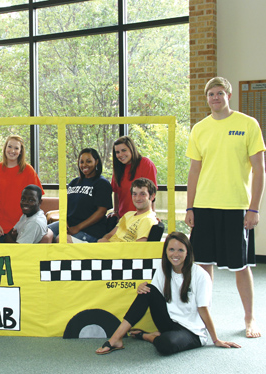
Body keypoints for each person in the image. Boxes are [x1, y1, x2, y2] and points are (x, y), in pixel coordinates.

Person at [185, 76, 265, 339]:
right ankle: (203, 316)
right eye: (210, 94)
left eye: (220, 93)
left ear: (229, 96)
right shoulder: (199, 129)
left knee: (241, 266)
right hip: (204, 206)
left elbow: (259, 169)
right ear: (206, 98)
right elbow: (194, 171)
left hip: (236, 207)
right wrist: (190, 207)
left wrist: (254, 209)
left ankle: (250, 318)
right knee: (203, 265)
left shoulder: (247, 124)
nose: (215, 98)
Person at [96, 232, 241, 355]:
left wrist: (215, 339)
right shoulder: (163, 268)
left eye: (180, 250)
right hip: (168, 322)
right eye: (171, 249)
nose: (175, 254)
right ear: (166, 251)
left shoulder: (200, 275)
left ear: (188, 252)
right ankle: (116, 339)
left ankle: (146, 336)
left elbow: (203, 309)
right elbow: (153, 295)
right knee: (148, 290)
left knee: (165, 345)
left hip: (191, 330)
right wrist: (142, 288)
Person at [47, 148, 112, 243]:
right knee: (43, 233)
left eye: (88, 161)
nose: (84, 165)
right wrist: (65, 223)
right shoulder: (74, 182)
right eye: (81, 162)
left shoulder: (102, 183)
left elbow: (101, 212)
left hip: (91, 231)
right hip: (70, 226)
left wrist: (78, 227)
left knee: (61, 240)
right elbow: (67, 207)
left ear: (96, 161)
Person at [0, 135, 44, 242]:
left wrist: (32, 224)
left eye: (16, 148)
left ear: (21, 151)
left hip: (26, 225)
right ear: (5, 148)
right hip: (2, 227)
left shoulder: (28, 170)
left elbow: (38, 201)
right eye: (10, 146)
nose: (12, 151)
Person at [99, 178, 157, 243]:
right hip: (107, 248)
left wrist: (108, 245)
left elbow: (139, 249)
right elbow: (110, 234)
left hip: (119, 252)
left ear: (152, 196)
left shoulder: (147, 220)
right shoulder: (128, 214)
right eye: (134, 194)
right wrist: (104, 239)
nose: (138, 198)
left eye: (142, 194)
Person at [111, 136, 157, 218]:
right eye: (117, 152)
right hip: (123, 218)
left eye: (124, 150)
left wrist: (152, 214)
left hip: (142, 217)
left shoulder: (146, 164)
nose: (120, 155)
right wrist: (116, 212)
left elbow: (151, 193)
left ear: (132, 149)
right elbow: (117, 192)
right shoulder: (118, 169)